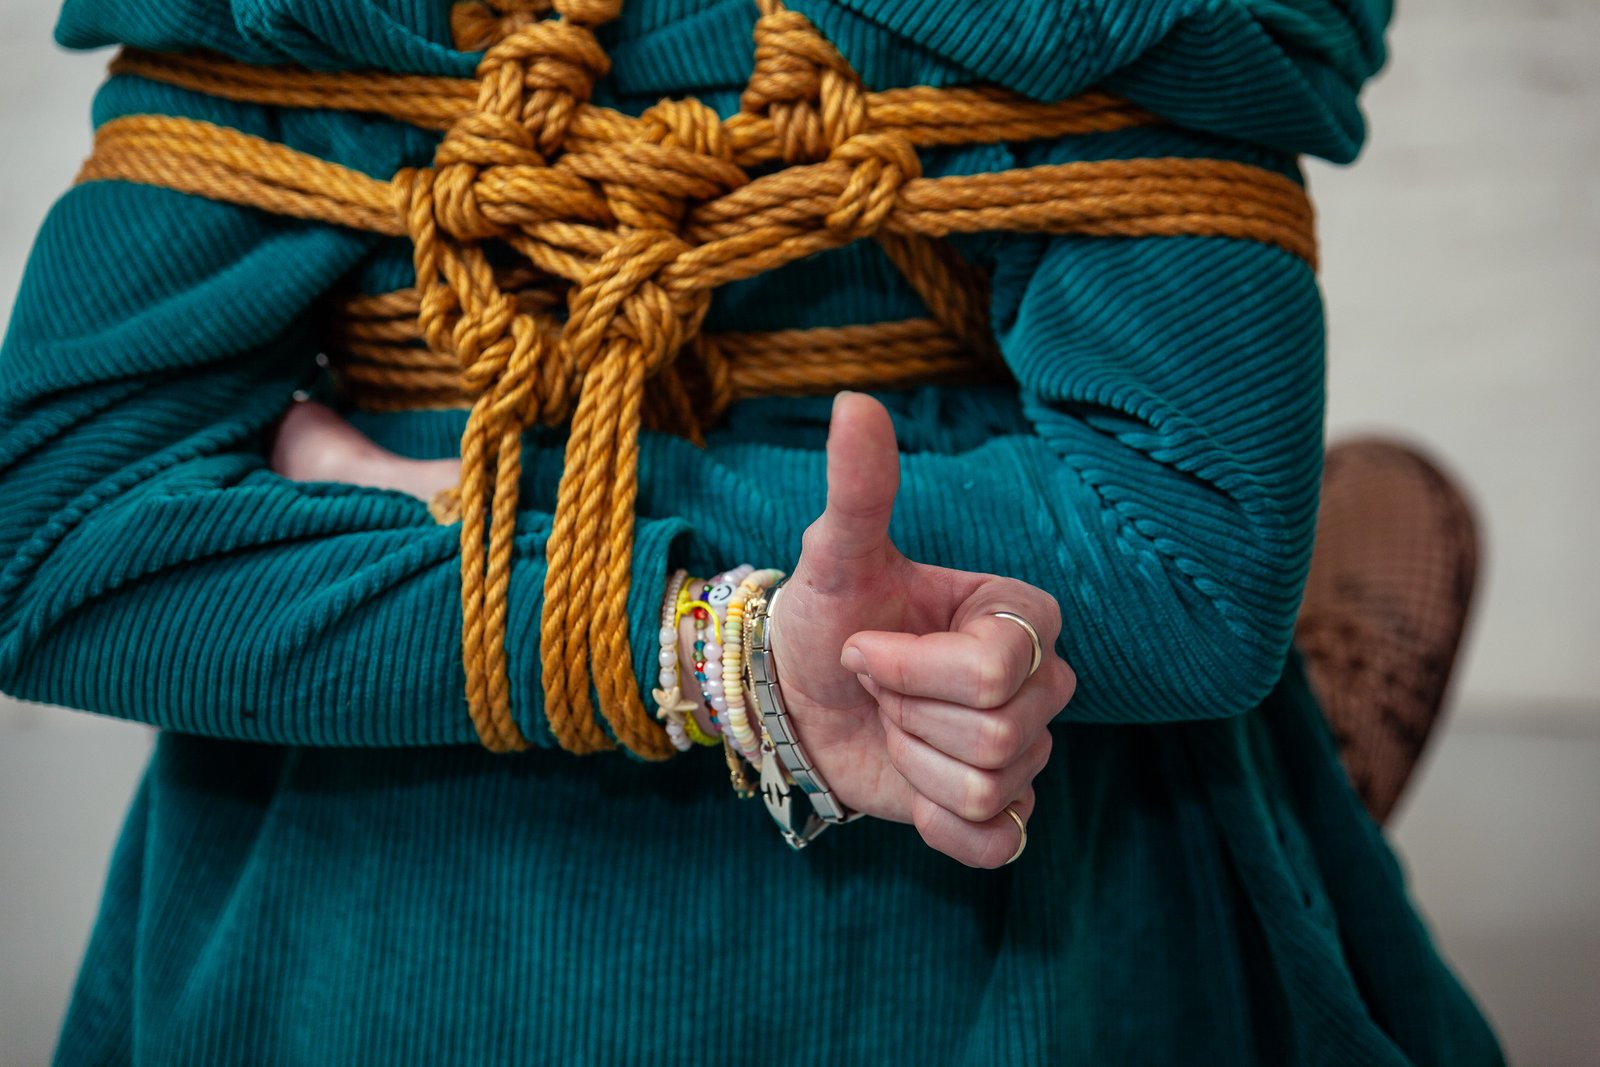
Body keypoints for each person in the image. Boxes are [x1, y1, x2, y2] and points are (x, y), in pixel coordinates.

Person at [0, 0, 1504, 1063]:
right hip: (1004, 922)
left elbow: (1185, 569)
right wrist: (723, 647)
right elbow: (47, 543)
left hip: (340, 939)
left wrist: (489, 519)